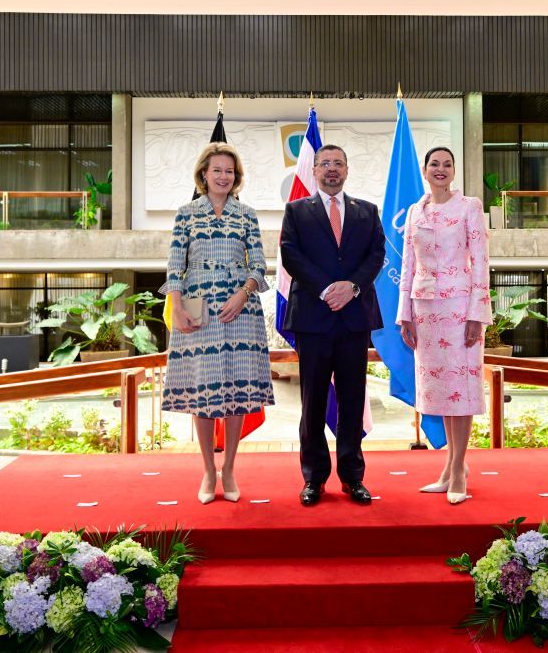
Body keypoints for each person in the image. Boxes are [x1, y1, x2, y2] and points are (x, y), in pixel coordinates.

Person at [161, 142, 274, 504]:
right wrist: (177, 308)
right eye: (217, 170)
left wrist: (243, 295)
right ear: (204, 175)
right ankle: (209, 470)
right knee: (203, 391)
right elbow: (174, 266)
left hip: (240, 310)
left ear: (236, 177)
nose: (223, 176)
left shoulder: (247, 215)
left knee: (238, 392)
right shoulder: (185, 214)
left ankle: (230, 469)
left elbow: (259, 264)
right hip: (198, 307)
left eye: (230, 171)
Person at [280, 144, 385, 506]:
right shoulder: (296, 211)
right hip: (313, 317)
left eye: (338, 163)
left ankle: (353, 477)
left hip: (354, 319)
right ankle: (314, 478)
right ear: (315, 170)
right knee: (312, 402)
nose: (331, 169)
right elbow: (290, 254)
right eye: (324, 163)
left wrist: (351, 287)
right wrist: (327, 289)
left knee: (353, 402)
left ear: (347, 169)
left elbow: (377, 254)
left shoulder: (367, 212)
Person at [397, 147, 490, 505]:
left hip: (459, 308)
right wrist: (404, 313)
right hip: (424, 311)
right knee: (441, 393)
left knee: (461, 391)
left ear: (454, 171)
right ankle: (452, 465)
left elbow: (480, 261)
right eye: (434, 164)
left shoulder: (469, 206)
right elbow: (407, 265)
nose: (441, 169)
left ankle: (458, 469)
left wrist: (476, 314)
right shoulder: (415, 211)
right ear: (424, 170)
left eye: (447, 164)